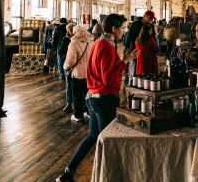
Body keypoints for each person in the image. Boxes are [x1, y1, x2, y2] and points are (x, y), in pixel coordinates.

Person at [56, 14, 139, 182]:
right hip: (104, 99)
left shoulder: (96, 43)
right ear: (114, 29)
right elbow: (108, 78)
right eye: (122, 28)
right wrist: (126, 61)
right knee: (108, 141)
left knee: (94, 136)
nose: (124, 32)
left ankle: (68, 171)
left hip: (93, 96)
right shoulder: (107, 47)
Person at [64, 25, 93, 122]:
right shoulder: (90, 43)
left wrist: (66, 67)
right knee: (87, 94)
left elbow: (70, 61)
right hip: (88, 73)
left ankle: (78, 115)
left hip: (77, 73)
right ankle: (89, 113)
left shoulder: (74, 44)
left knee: (77, 96)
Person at [59, 23, 75, 113]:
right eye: (71, 29)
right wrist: (68, 58)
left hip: (77, 66)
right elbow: (60, 52)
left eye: (74, 28)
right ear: (68, 30)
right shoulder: (65, 40)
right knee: (69, 85)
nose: (73, 30)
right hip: (69, 66)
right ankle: (69, 103)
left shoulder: (79, 39)